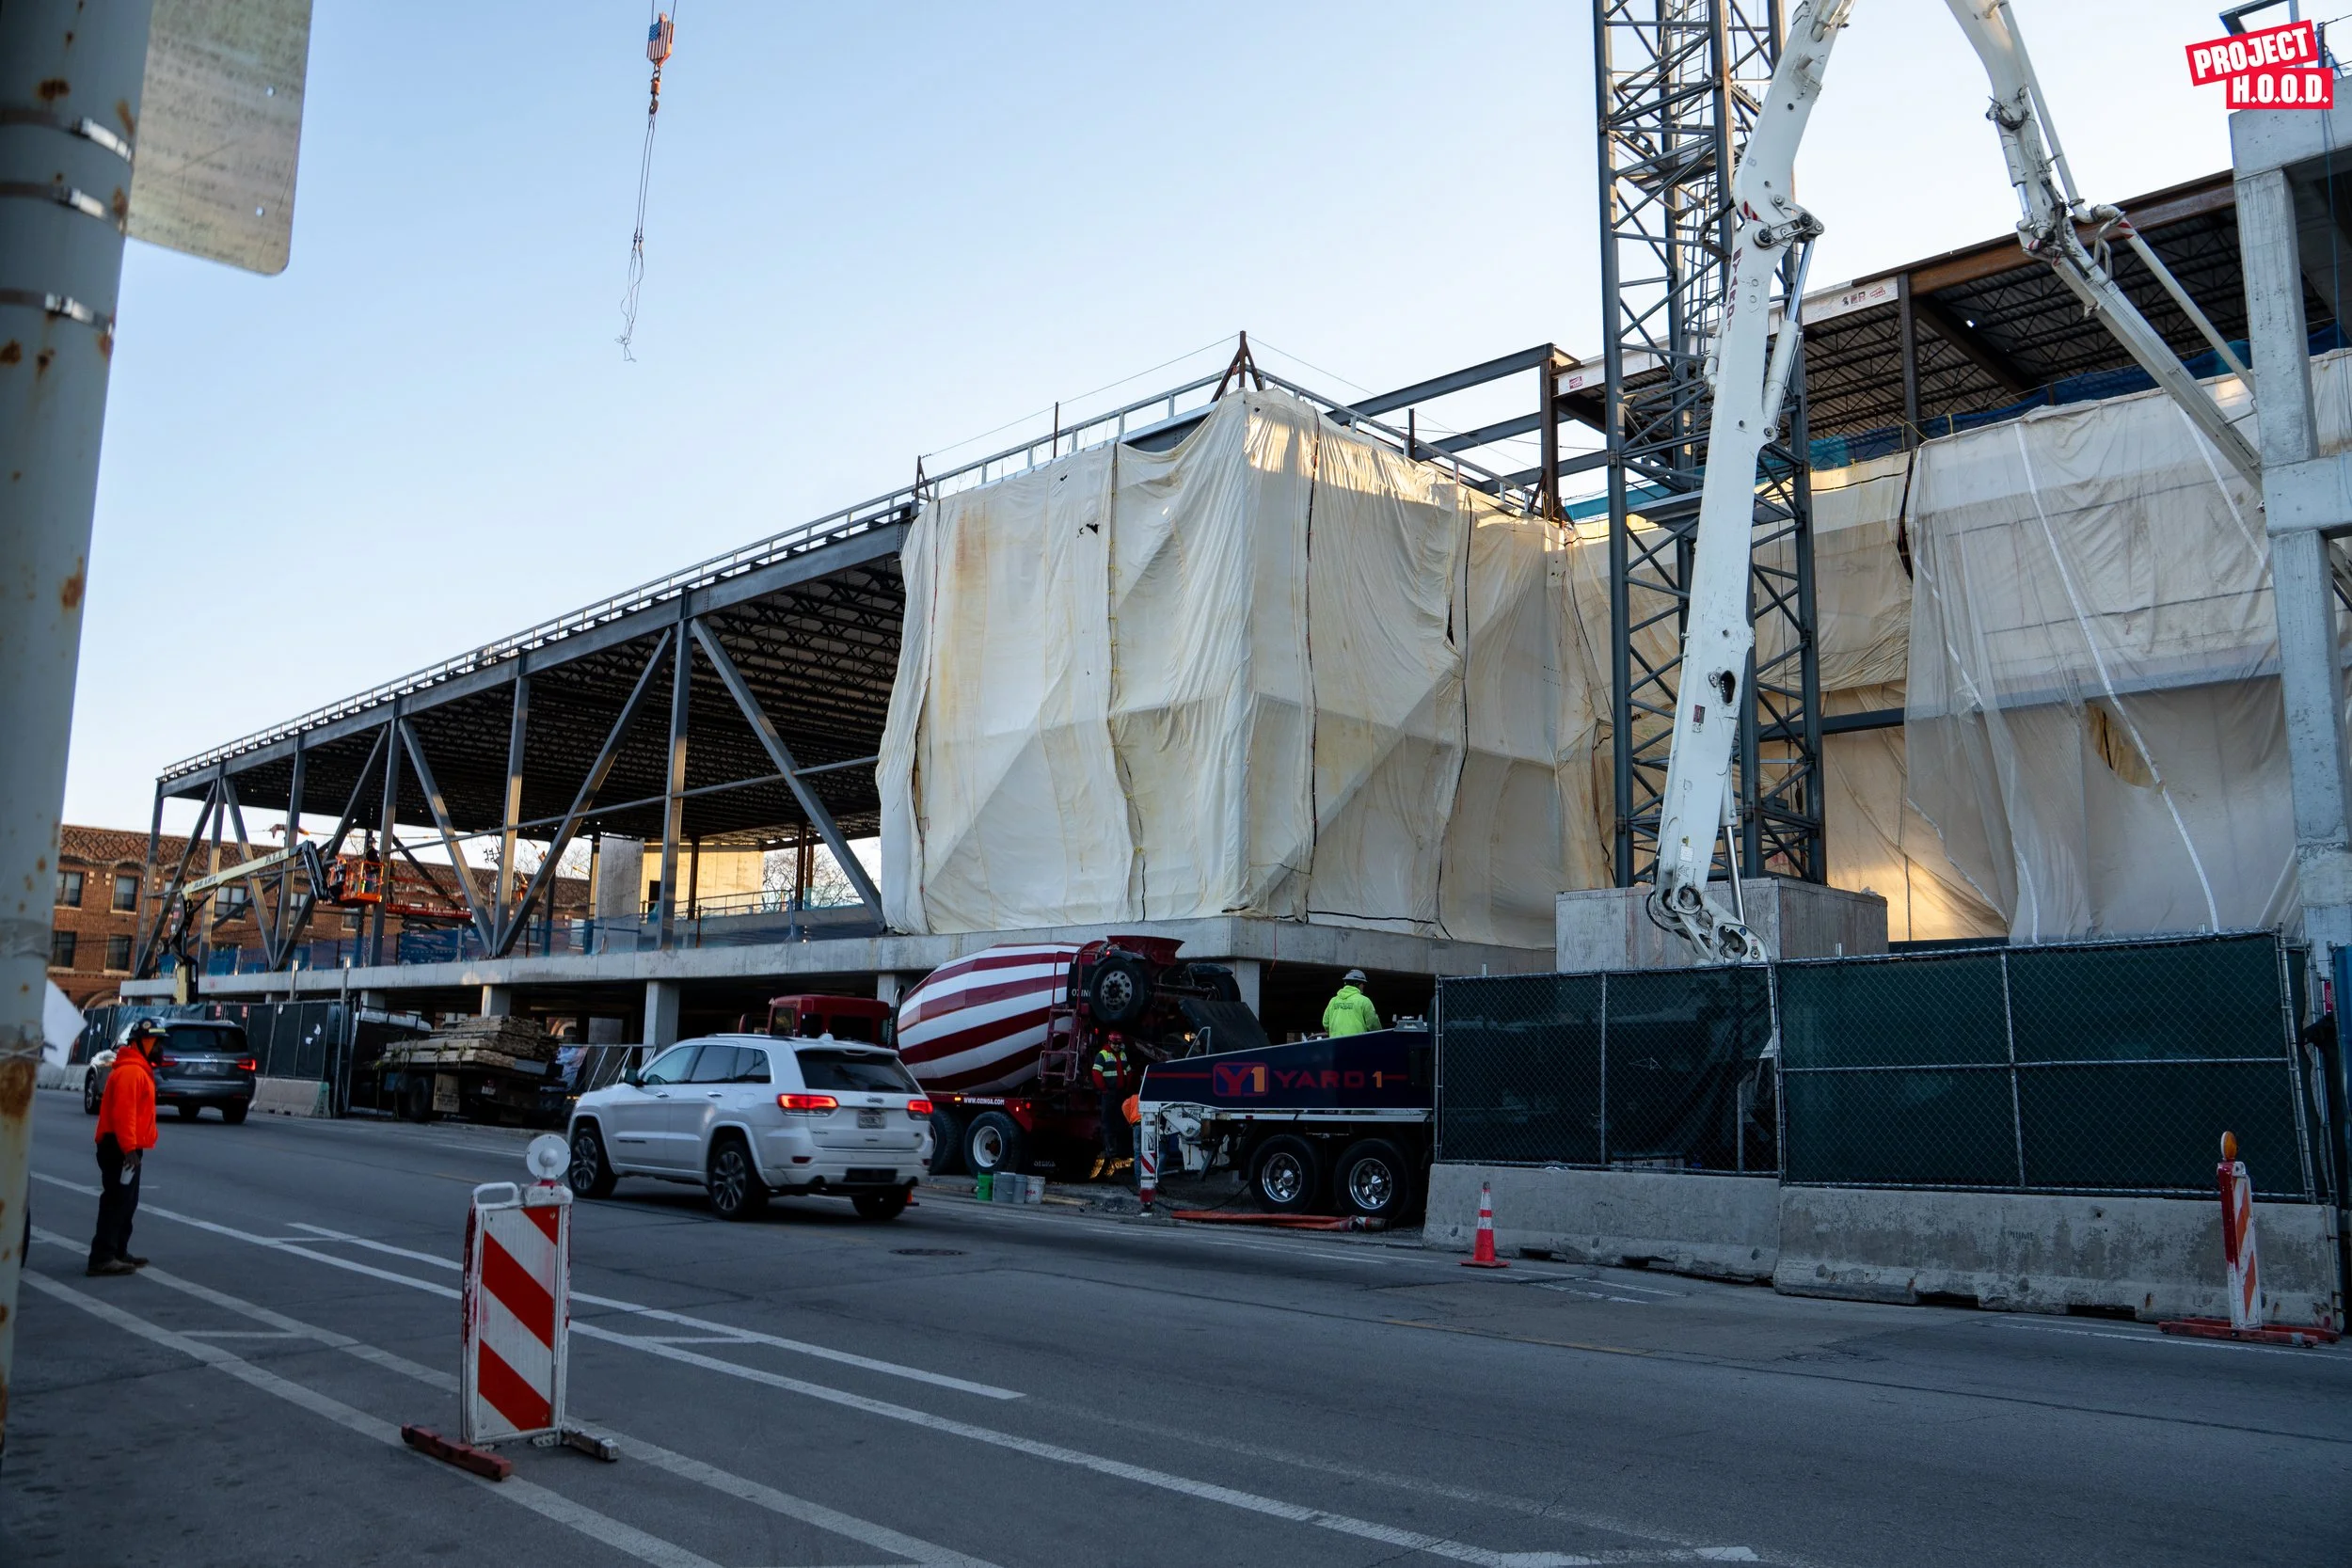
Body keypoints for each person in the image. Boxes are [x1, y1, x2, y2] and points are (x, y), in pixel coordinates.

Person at [88, 1021, 162, 1275]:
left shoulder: (138, 1069)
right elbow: (125, 1114)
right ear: (141, 1043)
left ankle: (118, 1251)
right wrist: (129, 1148)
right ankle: (103, 1256)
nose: (160, 1048)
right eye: (155, 1042)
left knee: (127, 1201)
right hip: (119, 1146)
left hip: (126, 1146)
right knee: (116, 1201)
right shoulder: (132, 1072)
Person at [1090, 1033, 1130, 1173]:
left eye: (1119, 1044)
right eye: (1115, 1044)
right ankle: (1109, 1151)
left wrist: (1128, 1086)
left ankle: (1118, 1150)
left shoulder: (1122, 1055)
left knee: (1119, 1120)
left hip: (1119, 1093)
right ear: (1109, 1042)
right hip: (1108, 1093)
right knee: (1107, 1121)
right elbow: (1096, 1073)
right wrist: (1104, 1089)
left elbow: (1128, 1070)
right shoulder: (1103, 1055)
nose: (1117, 1046)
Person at [1324, 970, 1380, 1037]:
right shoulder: (1364, 1001)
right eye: (1363, 984)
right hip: (1357, 1044)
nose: (1363, 986)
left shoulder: (1333, 1001)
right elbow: (1373, 1024)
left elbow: (1326, 1023)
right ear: (1358, 984)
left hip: (1336, 1044)